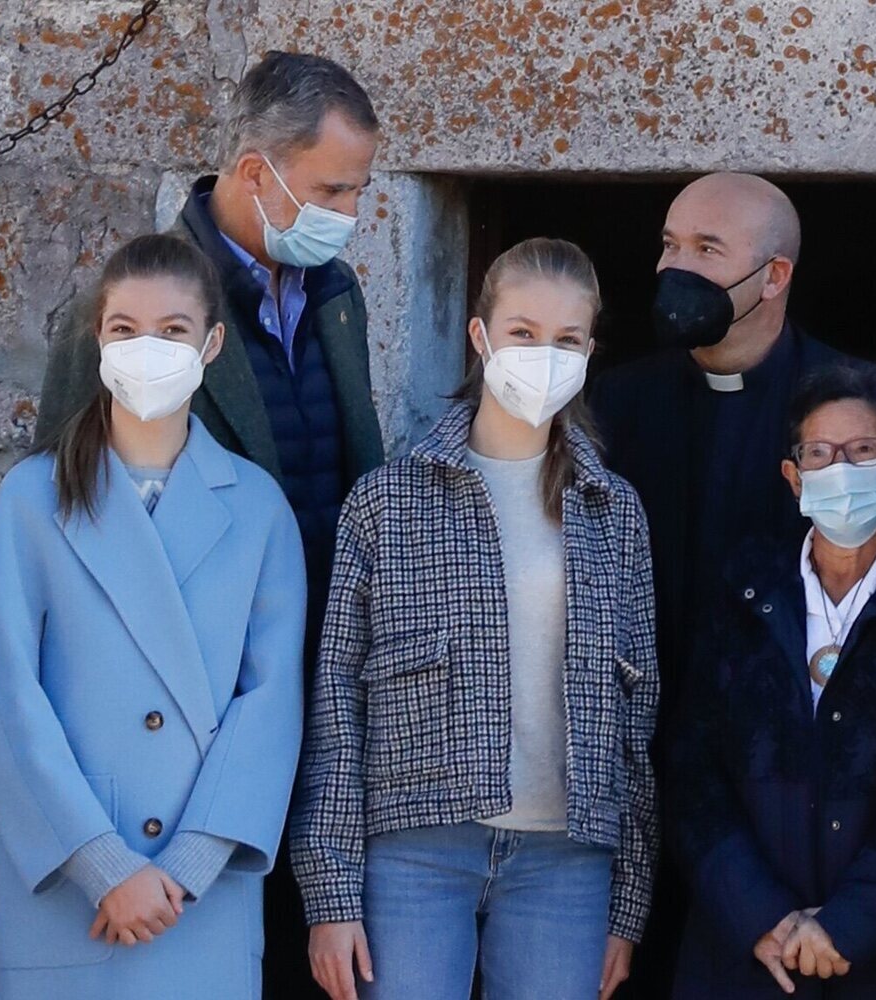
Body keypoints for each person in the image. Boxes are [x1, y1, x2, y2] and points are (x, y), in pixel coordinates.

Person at [34, 51, 383, 995]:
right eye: (332, 189)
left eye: (358, 190)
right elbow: (68, 504)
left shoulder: (337, 296)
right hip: (188, 716)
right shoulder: (138, 308)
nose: (348, 214)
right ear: (254, 171)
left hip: (319, 683)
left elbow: (358, 470)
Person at [295, 238, 658, 1000]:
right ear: (480, 335)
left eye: (566, 340)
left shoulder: (614, 510)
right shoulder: (388, 502)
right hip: (415, 850)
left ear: (591, 350)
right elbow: (335, 702)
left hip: (567, 857)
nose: (543, 355)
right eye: (524, 333)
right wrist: (329, 891)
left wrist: (629, 901)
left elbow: (637, 717)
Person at [0, 234, 306, 998]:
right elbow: (6, 704)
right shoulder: (29, 500)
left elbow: (271, 707)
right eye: (124, 329)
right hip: (67, 894)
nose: (146, 348)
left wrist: (184, 867)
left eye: (173, 330)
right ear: (98, 341)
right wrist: (104, 865)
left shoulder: (257, 510)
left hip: (202, 902)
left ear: (212, 343)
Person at [591, 172, 876, 701]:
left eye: (707, 249)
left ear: (774, 276)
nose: (674, 267)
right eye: (670, 244)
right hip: (650, 720)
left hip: (802, 738)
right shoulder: (615, 404)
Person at [667, 365, 876, 999]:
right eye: (819, 455)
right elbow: (692, 767)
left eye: (863, 452)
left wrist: (851, 923)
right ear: (794, 477)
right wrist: (759, 914)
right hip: (742, 953)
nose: (841, 472)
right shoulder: (743, 590)